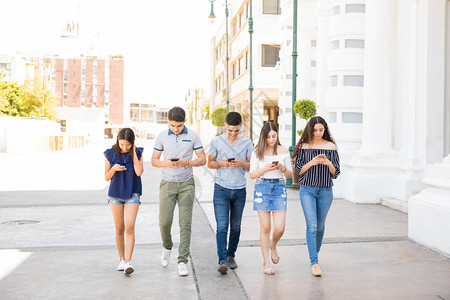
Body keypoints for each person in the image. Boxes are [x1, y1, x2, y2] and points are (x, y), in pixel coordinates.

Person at [151, 106, 206, 277]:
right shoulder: (161, 136)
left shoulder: (193, 136)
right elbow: (154, 160)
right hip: (167, 184)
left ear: (185, 122)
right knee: (164, 222)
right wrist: (166, 163)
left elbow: (202, 159)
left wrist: (187, 162)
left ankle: (182, 261)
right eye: (173, 125)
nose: (176, 129)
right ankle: (167, 247)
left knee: (185, 224)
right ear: (168, 122)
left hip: (186, 184)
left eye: (179, 126)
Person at [293, 116, 340, 277]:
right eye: (315, 130)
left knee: (320, 227)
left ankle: (314, 253)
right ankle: (314, 261)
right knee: (312, 225)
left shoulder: (331, 146)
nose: (318, 133)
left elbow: (336, 173)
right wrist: (312, 162)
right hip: (307, 190)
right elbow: (299, 170)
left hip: (326, 191)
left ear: (325, 130)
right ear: (310, 130)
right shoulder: (304, 146)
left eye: (321, 130)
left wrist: (328, 164)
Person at [207, 112, 253, 274]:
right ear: (225, 126)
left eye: (236, 131)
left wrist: (241, 163)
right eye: (230, 130)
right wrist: (221, 163)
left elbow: (251, 166)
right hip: (221, 188)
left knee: (236, 226)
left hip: (240, 189)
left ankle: (231, 255)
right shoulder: (216, 141)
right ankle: (222, 260)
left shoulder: (247, 142)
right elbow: (210, 163)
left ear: (241, 127)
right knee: (222, 226)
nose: (233, 134)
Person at [249, 122, 292, 275]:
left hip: (279, 187)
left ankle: (273, 245)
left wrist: (282, 168)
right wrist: (264, 169)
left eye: (274, 136)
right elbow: (252, 174)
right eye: (268, 137)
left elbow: (290, 175)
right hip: (262, 187)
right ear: (263, 137)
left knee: (280, 227)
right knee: (265, 227)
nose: (271, 140)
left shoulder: (284, 151)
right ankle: (266, 262)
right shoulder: (257, 151)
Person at [104, 128, 144, 275]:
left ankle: (128, 262)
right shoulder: (110, 153)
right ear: (117, 141)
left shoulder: (137, 152)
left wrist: (133, 151)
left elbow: (139, 172)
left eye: (128, 144)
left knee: (129, 227)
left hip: (132, 194)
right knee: (119, 228)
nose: (124, 147)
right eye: (122, 144)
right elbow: (106, 177)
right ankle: (121, 260)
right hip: (115, 195)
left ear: (132, 143)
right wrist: (114, 169)